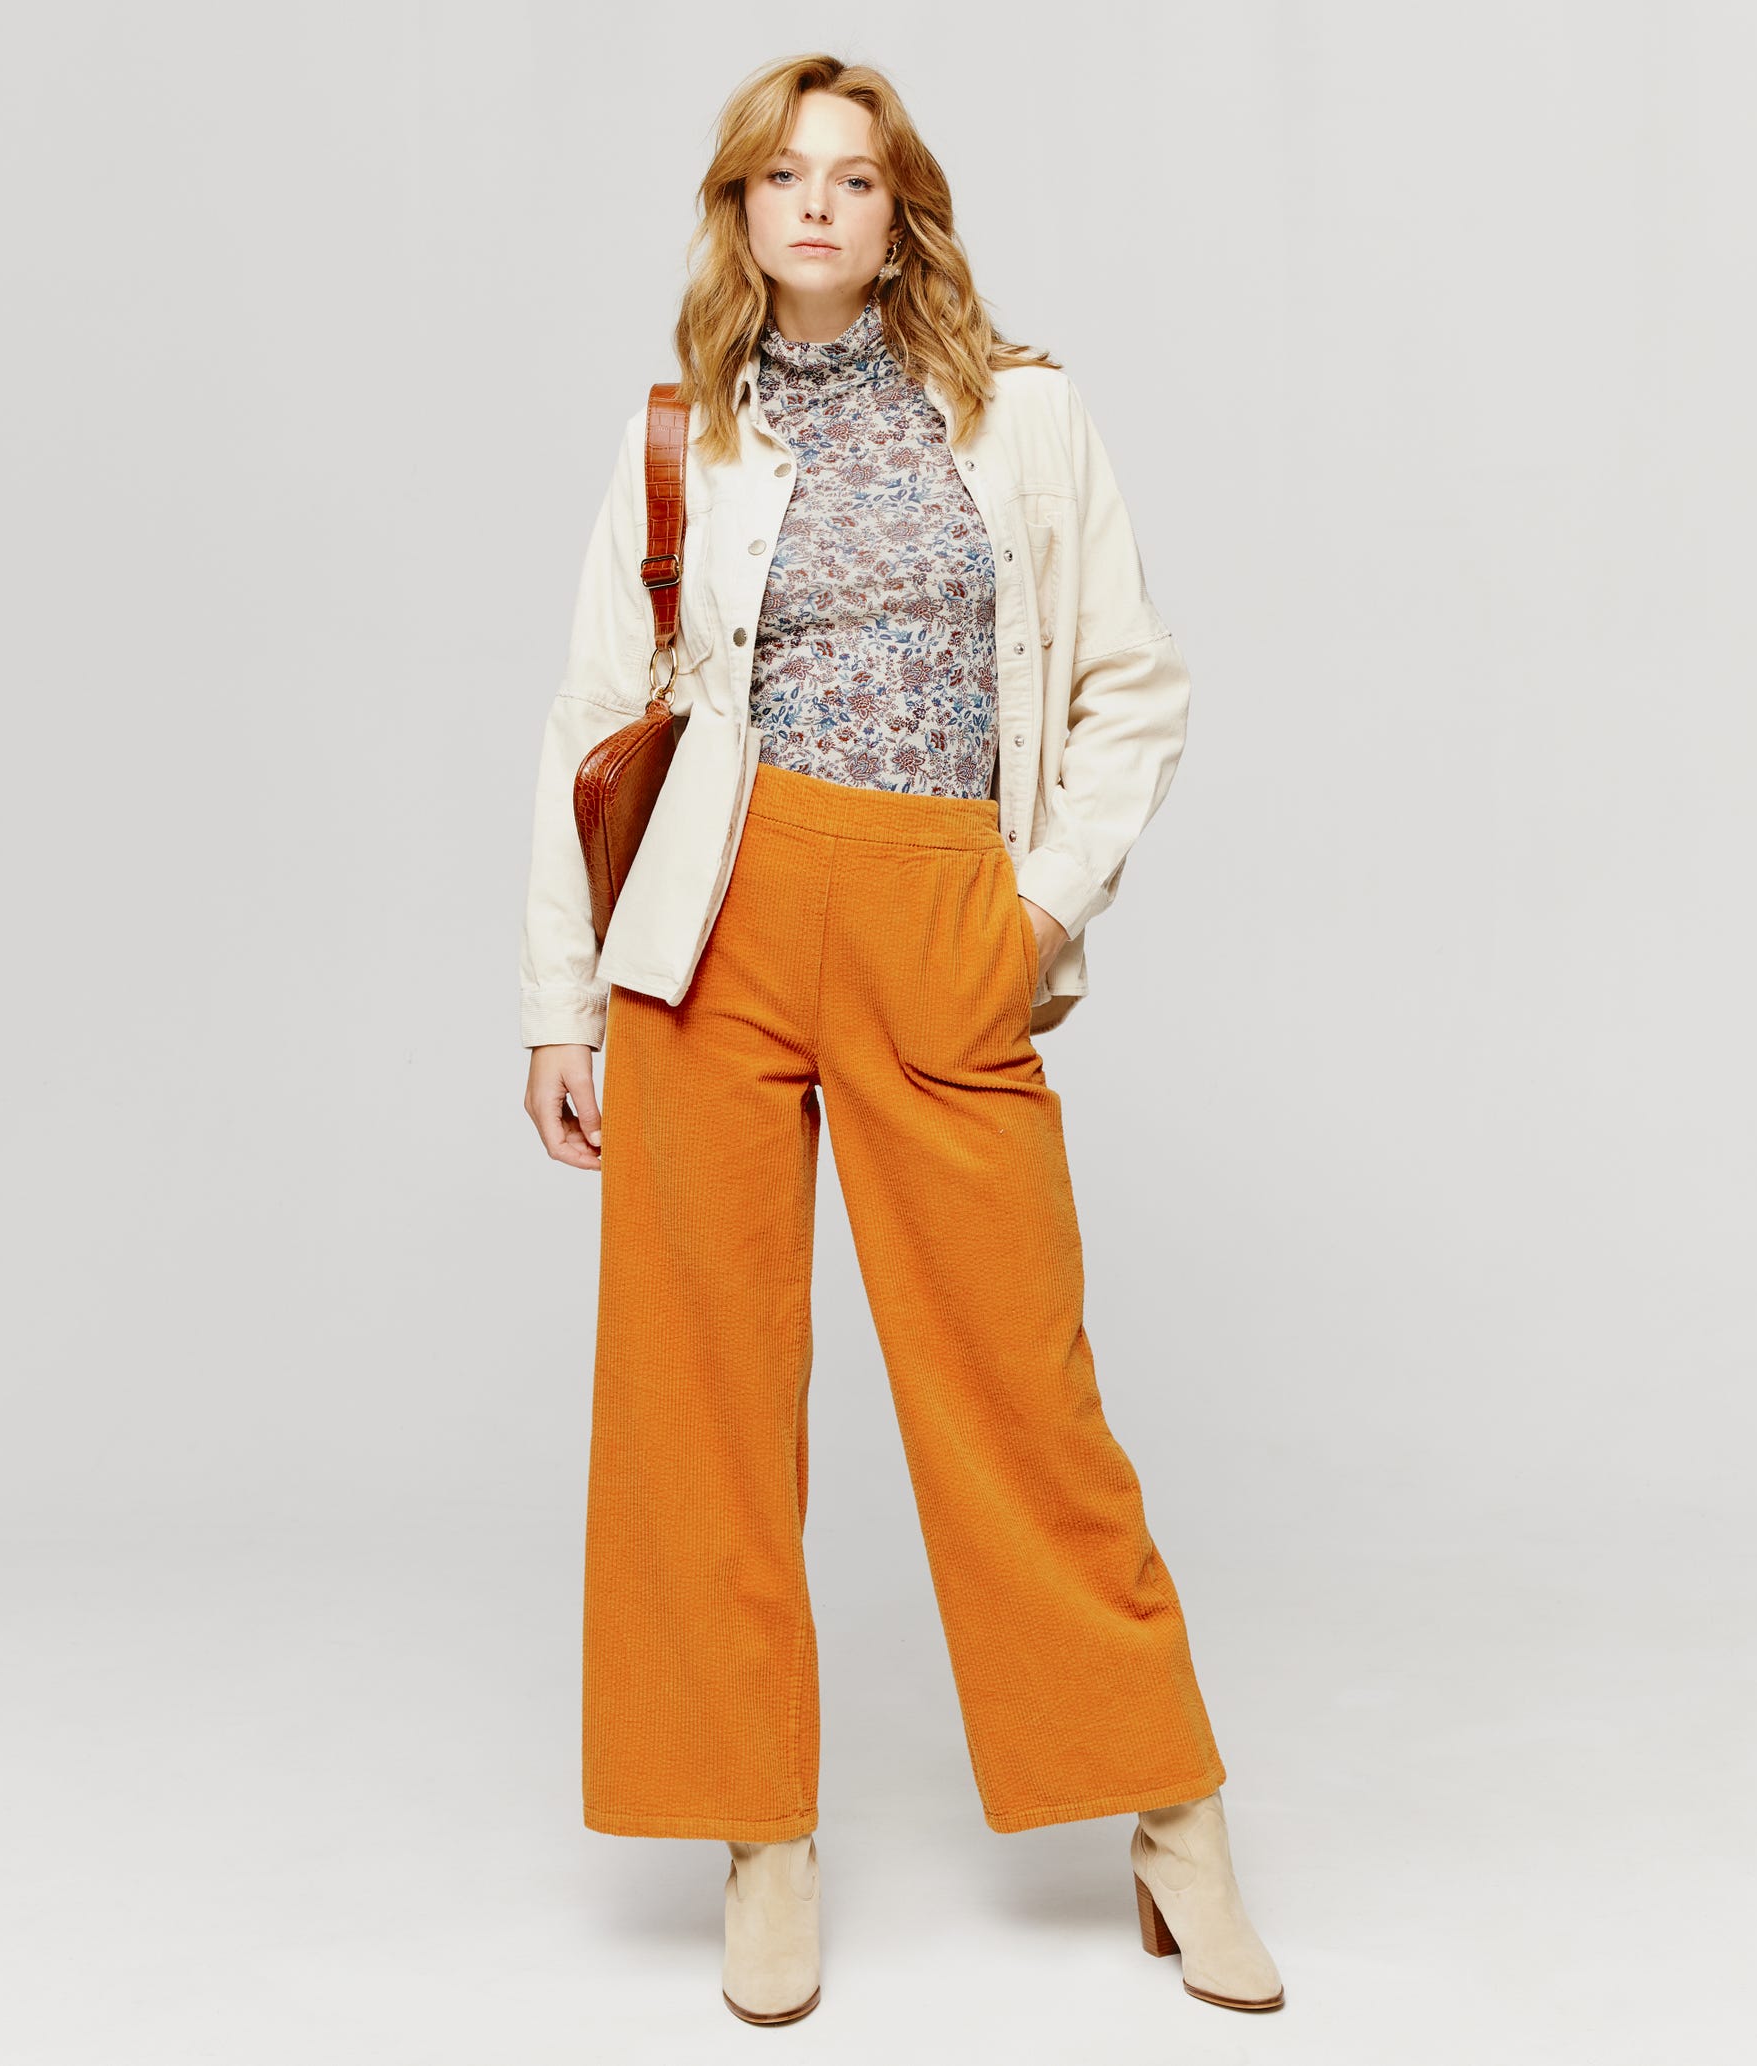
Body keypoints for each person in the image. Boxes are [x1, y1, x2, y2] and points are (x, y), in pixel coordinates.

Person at [519, 53, 1284, 2026]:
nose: (816, 205)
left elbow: (1133, 682)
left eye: (853, 179)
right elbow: (595, 714)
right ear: (739, 211)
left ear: (899, 210)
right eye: (781, 176)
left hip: (940, 904)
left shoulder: (1023, 416)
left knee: (1019, 1390)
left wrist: (1038, 909)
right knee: (699, 1397)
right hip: (710, 922)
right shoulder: (683, 435)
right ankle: (759, 1837)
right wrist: (560, 1000)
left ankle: (1173, 1816)